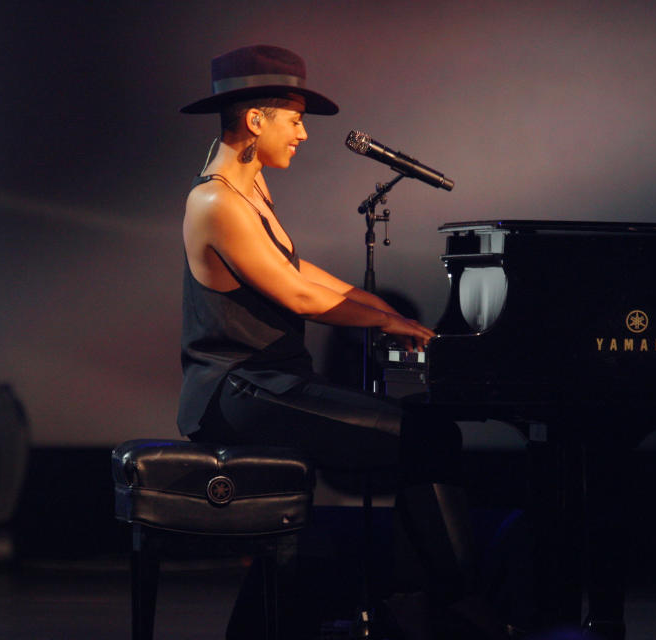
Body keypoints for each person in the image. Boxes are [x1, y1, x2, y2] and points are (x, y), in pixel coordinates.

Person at [177, 45, 497, 639]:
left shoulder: (248, 194)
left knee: (425, 437)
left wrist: (382, 307)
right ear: (255, 119)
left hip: (270, 383)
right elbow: (298, 297)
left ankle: (421, 607)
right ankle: (456, 607)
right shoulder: (216, 200)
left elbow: (302, 270)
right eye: (293, 119)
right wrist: (385, 322)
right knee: (427, 437)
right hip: (238, 389)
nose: (301, 134)